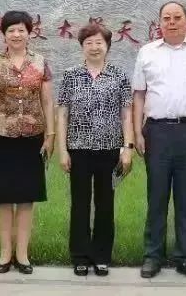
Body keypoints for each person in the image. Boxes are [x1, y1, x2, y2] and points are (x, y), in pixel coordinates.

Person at [132, 1, 186, 280]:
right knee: (157, 195)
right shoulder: (147, 52)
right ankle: (153, 255)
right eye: (166, 18)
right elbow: (139, 94)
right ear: (159, 22)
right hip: (156, 131)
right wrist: (137, 132)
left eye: (177, 17)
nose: (172, 22)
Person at [56, 22, 135, 277]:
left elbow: (126, 114)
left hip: (109, 150)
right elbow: (62, 114)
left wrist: (128, 148)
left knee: (105, 204)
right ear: (82, 47)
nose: (94, 47)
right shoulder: (70, 75)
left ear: (107, 46)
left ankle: (101, 256)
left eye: (99, 42)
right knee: (79, 204)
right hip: (78, 149)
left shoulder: (119, 76)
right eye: (88, 43)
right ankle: (80, 256)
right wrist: (62, 150)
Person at [0, 11, 54, 274]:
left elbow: (47, 102)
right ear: (4, 34)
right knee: (3, 197)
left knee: (26, 198)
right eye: (11, 30)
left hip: (32, 138)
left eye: (21, 29)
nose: (16, 34)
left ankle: (22, 254)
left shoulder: (40, 62)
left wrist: (50, 136)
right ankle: (5, 253)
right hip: (1, 138)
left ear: (29, 33)